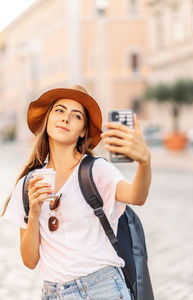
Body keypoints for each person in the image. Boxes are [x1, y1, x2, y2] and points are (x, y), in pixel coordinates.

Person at [2, 85, 151, 300]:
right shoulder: (28, 184)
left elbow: (137, 196)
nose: (65, 119)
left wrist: (144, 163)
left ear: (83, 131)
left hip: (102, 288)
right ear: (48, 120)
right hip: (53, 293)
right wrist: (34, 212)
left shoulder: (95, 170)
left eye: (76, 115)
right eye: (60, 111)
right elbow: (30, 260)